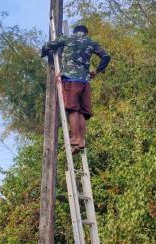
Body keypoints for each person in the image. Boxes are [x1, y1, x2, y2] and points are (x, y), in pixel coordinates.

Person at [42, 24, 111, 154]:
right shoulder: (91, 42)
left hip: (71, 79)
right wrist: (97, 71)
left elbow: (47, 46)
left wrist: (45, 53)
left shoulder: (67, 38)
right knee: (82, 112)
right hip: (85, 82)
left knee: (73, 110)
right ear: (85, 32)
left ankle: (75, 138)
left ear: (75, 31)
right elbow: (106, 56)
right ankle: (81, 141)